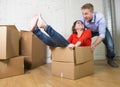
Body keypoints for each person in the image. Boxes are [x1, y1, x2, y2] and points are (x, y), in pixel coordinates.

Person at [80, 3, 118, 67]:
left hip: (101, 30)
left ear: (92, 12)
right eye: (83, 14)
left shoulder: (100, 17)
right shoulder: (82, 19)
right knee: (81, 40)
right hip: (91, 31)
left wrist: (94, 45)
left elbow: (102, 35)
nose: (84, 16)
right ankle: (81, 58)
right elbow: (80, 32)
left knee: (110, 45)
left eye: (86, 13)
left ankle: (110, 59)